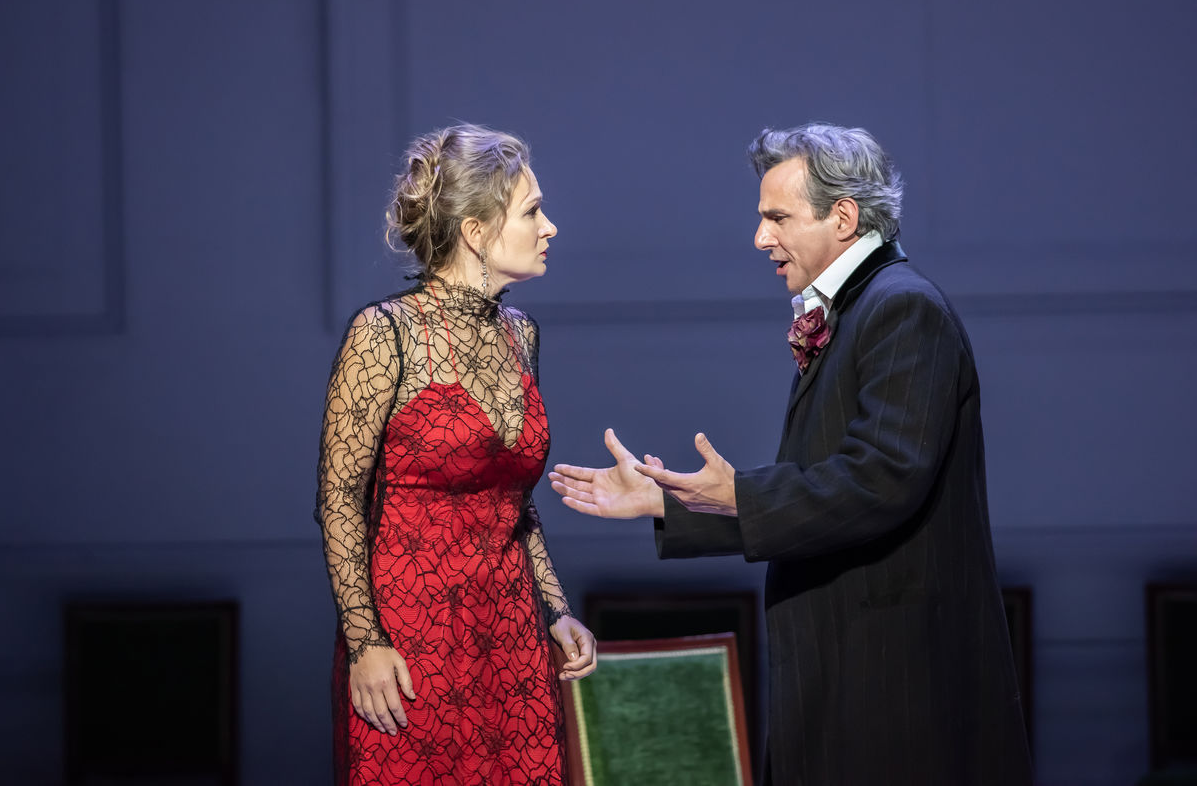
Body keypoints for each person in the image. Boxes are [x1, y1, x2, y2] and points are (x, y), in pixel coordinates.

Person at [549, 124, 1031, 786]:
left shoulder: (902, 309)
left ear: (843, 218)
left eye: (776, 218)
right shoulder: (861, 309)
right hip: (846, 667)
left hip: (892, 679)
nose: (759, 238)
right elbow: (820, 490)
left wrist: (737, 496)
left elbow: (880, 481)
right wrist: (670, 501)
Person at [316, 123, 596, 785]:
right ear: (476, 231)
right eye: (532, 212)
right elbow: (339, 499)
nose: (550, 227)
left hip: (511, 634)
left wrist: (556, 611)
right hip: (409, 637)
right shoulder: (385, 334)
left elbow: (514, 504)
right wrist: (364, 640)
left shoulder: (520, 334)